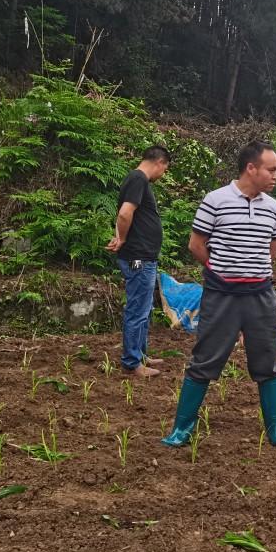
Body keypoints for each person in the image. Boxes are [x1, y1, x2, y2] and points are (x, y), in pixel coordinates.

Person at [162, 140, 276, 449]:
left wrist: (250, 271)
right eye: (271, 170)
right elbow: (196, 244)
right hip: (221, 297)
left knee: (267, 362)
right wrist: (220, 270)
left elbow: (271, 250)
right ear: (251, 168)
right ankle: (181, 429)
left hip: (260, 297)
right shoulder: (215, 200)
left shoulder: (272, 207)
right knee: (204, 360)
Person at [106, 145, 171, 378]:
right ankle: (132, 363)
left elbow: (122, 214)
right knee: (138, 308)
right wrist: (122, 239)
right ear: (160, 163)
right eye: (165, 169)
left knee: (144, 307)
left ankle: (140, 354)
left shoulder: (134, 180)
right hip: (138, 259)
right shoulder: (138, 179)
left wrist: (119, 236)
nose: (162, 175)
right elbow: (124, 213)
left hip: (143, 257)